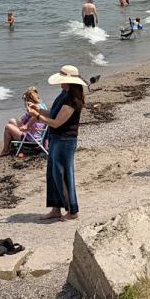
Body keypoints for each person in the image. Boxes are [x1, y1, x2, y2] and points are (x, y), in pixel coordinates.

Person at [31, 66, 85, 220]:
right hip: (56, 138)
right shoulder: (64, 94)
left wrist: (37, 117)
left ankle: (72, 211)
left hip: (66, 140)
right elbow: (53, 114)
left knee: (64, 175)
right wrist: (38, 111)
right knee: (53, 174)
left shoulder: (72, 100)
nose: (60, 83)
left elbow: (56, 123)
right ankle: (56, 208)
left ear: (69, 82)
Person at [0, 87, 45, 157]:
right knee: (12, 120)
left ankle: (5, 150)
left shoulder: (33, 110)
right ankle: (11, 146)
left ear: (29, 100)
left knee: (8, 127)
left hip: (32, 139)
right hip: (38, 134)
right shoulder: (42, 106)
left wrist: (27, 108)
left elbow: (23, 120)